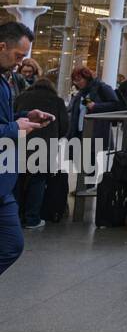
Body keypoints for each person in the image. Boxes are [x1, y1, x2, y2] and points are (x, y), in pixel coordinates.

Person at [0, 22, 48, 275]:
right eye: (18, 56)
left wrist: (24, 116)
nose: (20, 63)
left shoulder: (5, 81)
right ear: (2, 46)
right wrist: (15, 127)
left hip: (4, 181)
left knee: (11, 245)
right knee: (10, 244)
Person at [15, 75, 68, 231]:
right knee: (38, 181)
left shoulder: (21, 97)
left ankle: (15, 217)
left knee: (18, 180)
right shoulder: (57, 101)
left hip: (21, 142)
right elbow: (64, 125)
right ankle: (32, 219)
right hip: (45, 146)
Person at [70, 67, 124, 147]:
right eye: (75, 80)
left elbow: (116, 105)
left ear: (87, 78)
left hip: (98, 134)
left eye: (79, 79)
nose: (77, 83)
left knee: (93, 158)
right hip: (81, 133)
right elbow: (81, 109)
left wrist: (96, 106)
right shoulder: (82, 92)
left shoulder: (102, 87)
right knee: (82, 158)